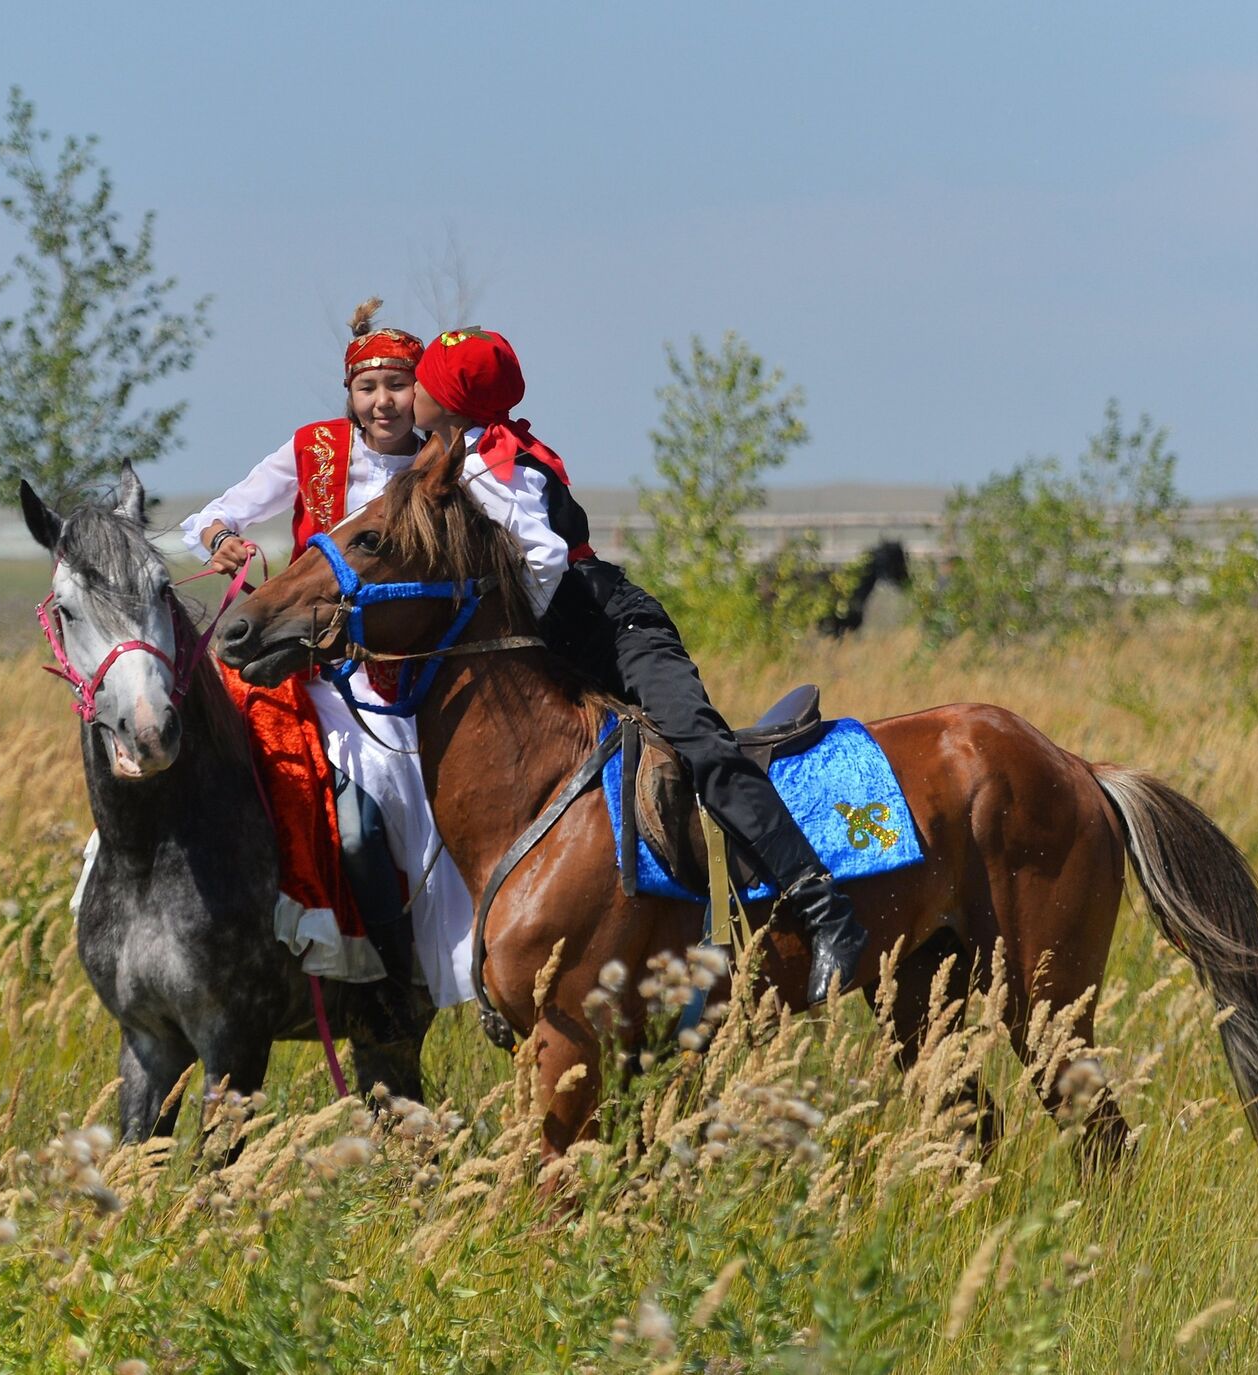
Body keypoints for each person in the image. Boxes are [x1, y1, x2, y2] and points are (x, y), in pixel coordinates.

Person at [408, 327, 870, 1007]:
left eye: (420, 379)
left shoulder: (486, 468)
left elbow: (543, 560)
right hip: (568, 646)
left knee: (704, 750)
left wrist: (517, 625)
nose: (410, 390)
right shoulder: (454, 458)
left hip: (617, 630)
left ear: (450, 398)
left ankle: (827, 910)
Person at [180, 301, 479, 1033]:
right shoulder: (314, 450)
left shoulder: (446, 460)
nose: (383, 402)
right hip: (325, 681)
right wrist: (222, 538)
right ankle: (381, 970)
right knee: (354, 826)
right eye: (368, 387)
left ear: (424, 390)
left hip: (430, 674)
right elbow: (214, 515)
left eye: (399, 384)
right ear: (348, 393)